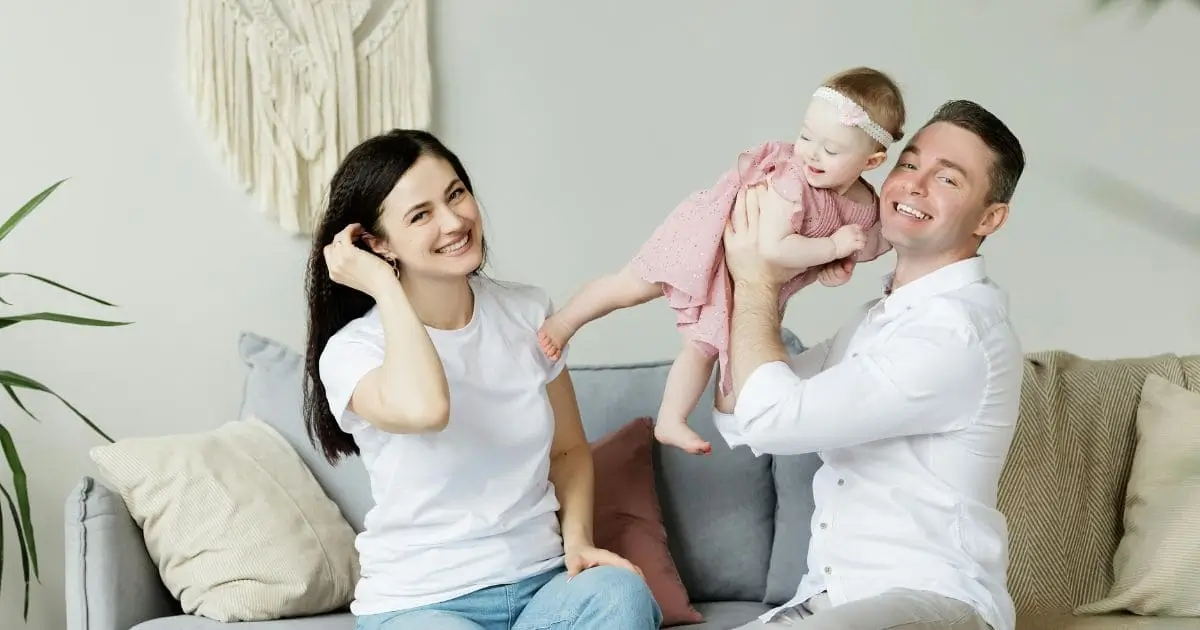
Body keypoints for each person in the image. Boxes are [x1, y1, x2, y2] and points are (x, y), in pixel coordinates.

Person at [301, 129, 663, 630]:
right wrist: (384, 286)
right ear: (375, 244)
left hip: (541, 586)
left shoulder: (527, 311)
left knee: (621, 595)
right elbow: (429, 408)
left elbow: (568, 450)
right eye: (421, 214)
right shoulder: (352, 352)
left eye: (456, 194)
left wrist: (578, 542)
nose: (454, 221)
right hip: (422, 604)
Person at [716, 99, 1026, 630]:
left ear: (990, 218)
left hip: (934, 600)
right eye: (909, 163)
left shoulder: (954, 334)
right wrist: (780, 277)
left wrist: (757, 281)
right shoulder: (877, 320)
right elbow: (740, 417)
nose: (914, 184)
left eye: (948, 180)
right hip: (835, 597)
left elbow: (775, 420)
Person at [537, 67, 906, 455]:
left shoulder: (865, 208)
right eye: (805, 135)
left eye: (831, 150)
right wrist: (831, 247)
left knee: (703, 347)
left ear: (872, 162)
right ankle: (564, 321)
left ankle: (669, 420)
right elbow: (774, 248)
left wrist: (835, 265)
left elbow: (863, 246)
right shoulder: (791, 179)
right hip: (707, 238)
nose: (810, 153)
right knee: (630, 285)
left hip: (742, 278)